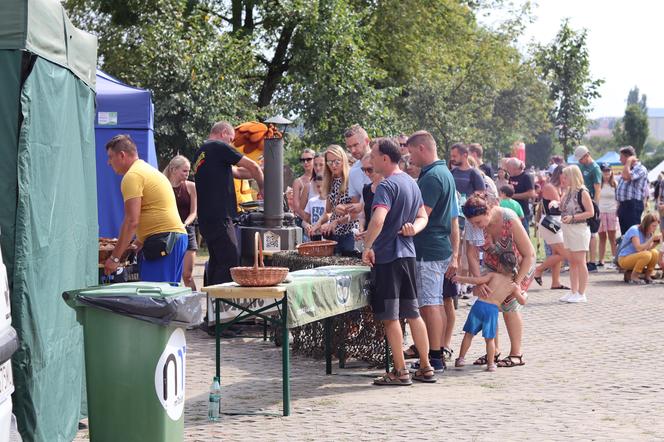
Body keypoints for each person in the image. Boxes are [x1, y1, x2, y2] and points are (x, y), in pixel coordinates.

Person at [361, 137, 435, 385]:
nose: (370, 160)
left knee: (391, 318)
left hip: (389, 258)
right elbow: (423, 216)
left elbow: (379, 219)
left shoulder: (386, 185)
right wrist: (414, 228)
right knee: (414, 314)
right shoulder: (411, 183)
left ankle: (401, 371)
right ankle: (425, 367)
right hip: (408, 256)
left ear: (384, 158)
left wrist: (367, 246)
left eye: (373, 156)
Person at [405, 130, 459, 374]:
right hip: (437, 247)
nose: (410, 157)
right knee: (432, 301)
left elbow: (422, 214)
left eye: (411, 152)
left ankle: (435, 355)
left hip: (429, 248)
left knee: (430, 303)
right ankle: (433, 352)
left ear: (422, 149)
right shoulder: (443, 172)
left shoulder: (432, 177)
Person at [103, 134, 187, 282]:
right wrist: (139, 241)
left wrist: (115, 258)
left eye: (110, 157)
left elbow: (131, 221)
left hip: (164, 241)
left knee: (156, 299)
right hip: (172, 239)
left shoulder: (133, 176)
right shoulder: (147, 170)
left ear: (122, 155)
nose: (109, 162)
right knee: (166, 297)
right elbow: (154, 210)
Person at [464, 194, 535, 368]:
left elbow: (529, 254)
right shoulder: (472, 222)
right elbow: (471, 254)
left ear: (488, 211)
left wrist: (516, 283)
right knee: (489, 303)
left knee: (510, 304)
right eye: (473, 223)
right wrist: (479, 282)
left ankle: (516, 353)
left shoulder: (509, 219)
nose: (476, 227)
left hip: (518, 266)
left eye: (479, 223)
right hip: (493, 265)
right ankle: (493, 351)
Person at [194, 121, 264, 285]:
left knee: (216, 262)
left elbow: (239, 172)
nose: (231, 143)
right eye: (231, 139)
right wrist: (263, 189)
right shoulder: (218, 146)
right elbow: (253, 166)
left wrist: (260, 170)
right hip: (220, 216)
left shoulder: (202, 152)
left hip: (206, 219)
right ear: (224, 132)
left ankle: (212, 306)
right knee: (230, 262)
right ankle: (222, 306)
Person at [453, 252, 527, 372]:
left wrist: (459, 278)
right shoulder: (513, 286)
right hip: (492, 311)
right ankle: (491, 364)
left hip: (479, 306)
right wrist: (523, 294)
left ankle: (461, 358)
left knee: (469, 334)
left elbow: (476, 280)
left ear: (500, 266)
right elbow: (522, 302)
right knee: (490, 339)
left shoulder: (493, 275)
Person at [311, 145, 360, 253]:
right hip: (334, 235)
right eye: (329, 162)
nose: (333, 165)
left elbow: (357, 212)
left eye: (337, 162)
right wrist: (317, 224)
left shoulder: (351, 178)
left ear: (343, 160)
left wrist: (336, 222)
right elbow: (328, 212)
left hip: (350, 233)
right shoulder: (330, 180)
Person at [559, 165, 594, 303]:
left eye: (566, 176)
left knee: (580, 261)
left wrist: (573, 217)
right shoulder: (568, 191)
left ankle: (581, 292)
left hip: (579, 229)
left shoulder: (582, 191)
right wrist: (557, 202)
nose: (563, 178)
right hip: (568, 228)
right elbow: (563, 208)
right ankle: (573, 291)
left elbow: (590, 212)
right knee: (572, 261)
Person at [450, 143, 485, 278]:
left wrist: (468, 199)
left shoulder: (474, 173)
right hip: (456, 217)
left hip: (470, 217)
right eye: (451, 156)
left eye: (455, 156)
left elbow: (481, 194)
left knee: (470, 250)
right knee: (456, 250)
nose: (452, 158)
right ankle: (456, 279)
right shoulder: (452, 173)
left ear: (465, 155)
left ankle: (469, 280)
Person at [163, 155, 198, 289]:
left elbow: (193, 212)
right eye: (184, 171)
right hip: (168, 232)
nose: (187, 174)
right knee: (171, 274)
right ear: (173, 170)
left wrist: (185, 224)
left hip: (186, 231)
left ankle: (195, 304)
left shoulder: (191, 187)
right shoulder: (163, 186)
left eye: (188, 171)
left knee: (187, 274)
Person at [532, 165, 569, 290]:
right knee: (565, 254)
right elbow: (560, 205)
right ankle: (538, 270)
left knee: (557, 253)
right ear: (559, 174)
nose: (567, 178)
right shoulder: (549, 187)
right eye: (565, 176)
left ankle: (555, 282)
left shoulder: (558, 187)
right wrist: (566, 191)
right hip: (550, 222)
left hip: (556, 223)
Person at [573, 146, 602, 272]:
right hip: (581, 202)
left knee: (592, 234)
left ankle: (592, 262)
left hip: (590, 202)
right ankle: (583, 260)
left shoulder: (595, 168)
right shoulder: (581, 167)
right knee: (583, 232)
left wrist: (594, 205)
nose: (579, 161)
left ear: (587, 155)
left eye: (581, 159)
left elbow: (597, 189)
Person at [617, 212, 661, 284]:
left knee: (655, 253)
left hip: (637, 256)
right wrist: (652, 239)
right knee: (646, 255)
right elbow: (638, 248)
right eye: (653, 226)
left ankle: (648, 276)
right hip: (624, 258)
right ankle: (634, 277)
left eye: (656, 226)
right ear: (647, 224)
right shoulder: (634, 230)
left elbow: (647, 249)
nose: (655, 228)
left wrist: (656, 243)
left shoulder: (649, 233)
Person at [616, 146, 649, 235]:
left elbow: (627, 177)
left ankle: (635, 249)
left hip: (633, 205)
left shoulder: (641, 168)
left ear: (628, 157)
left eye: (621, 157)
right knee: (625, 235)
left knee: (633, 234)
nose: (619, 160)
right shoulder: (627, 169)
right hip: (624, 205)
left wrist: (629, 161)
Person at [505, 158, 535, 234]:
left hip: (522, 212)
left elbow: (531, 193)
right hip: (511, 210)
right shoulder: (511, 177)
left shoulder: (526, 177)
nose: (507, 170)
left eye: (508, 168)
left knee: (524, 233)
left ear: (514, 168)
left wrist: (512, 196)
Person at [597, 163, 619, 267]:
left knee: (612, 237)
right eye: (604, 171)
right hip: (601, 211)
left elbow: (618, 199)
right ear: (601, 172)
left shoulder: (615, 184)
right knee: (602, 237)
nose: (606, 173)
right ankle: (601, 260)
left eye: (608, 171)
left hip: (612, 211)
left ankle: (615, 259)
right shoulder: (598, 184)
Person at [291, 148, 317, 223]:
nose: (305, 162)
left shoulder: (322, 179)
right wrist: (310, 220)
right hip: (303, 221)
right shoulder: (298, 182)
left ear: (314, 160)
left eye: (308, 159)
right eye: (302, 160)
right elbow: (297, 207)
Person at [360, 153, 382, 230]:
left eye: (370, 169)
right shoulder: (366, 189)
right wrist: (361, 227)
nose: (366, 173)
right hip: (367, 237)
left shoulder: (389, 188)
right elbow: (363, 215)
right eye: (363, 170)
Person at [302, 175, 326, 240]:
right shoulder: (312, 201)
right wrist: (306, 225)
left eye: (323, 186)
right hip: (314, 235)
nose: (320, 189)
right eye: (318, 186)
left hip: (327, 235)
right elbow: (304, 221)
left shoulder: (330, 202)